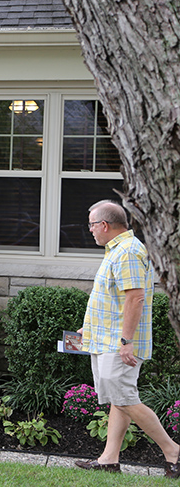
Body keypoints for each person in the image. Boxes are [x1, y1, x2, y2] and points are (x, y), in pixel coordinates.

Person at [74, 200, 180, 477]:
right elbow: (112, 298)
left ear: (105, 225)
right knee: (119, 399)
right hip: (106, 338)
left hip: (118, 343)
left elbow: (135, 298)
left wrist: (126, 341)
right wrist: (89, 328)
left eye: (92, 225)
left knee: (125, 399)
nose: (91, 231)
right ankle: (109, 459)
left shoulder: (129, 252)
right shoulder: (117, 250)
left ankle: (173, 451)